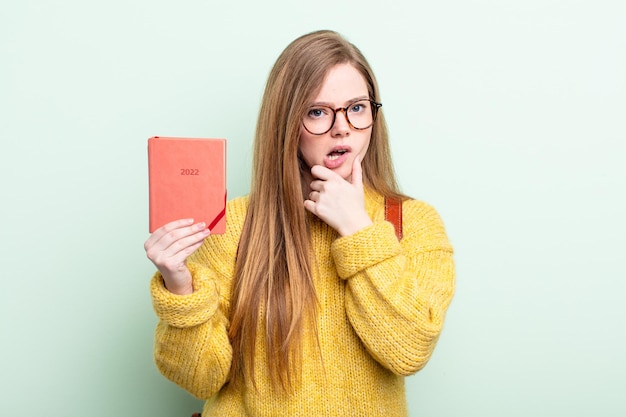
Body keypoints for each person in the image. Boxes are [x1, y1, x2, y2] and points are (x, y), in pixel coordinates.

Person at [144, 29, 455, 416]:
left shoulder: (412, 222)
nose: (342, 127)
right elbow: (201, 379)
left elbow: (408, 350)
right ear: (288, 124)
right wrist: (179, 286)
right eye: (318, 112)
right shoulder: (236, 225)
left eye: (357, 108)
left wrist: (358, 229)